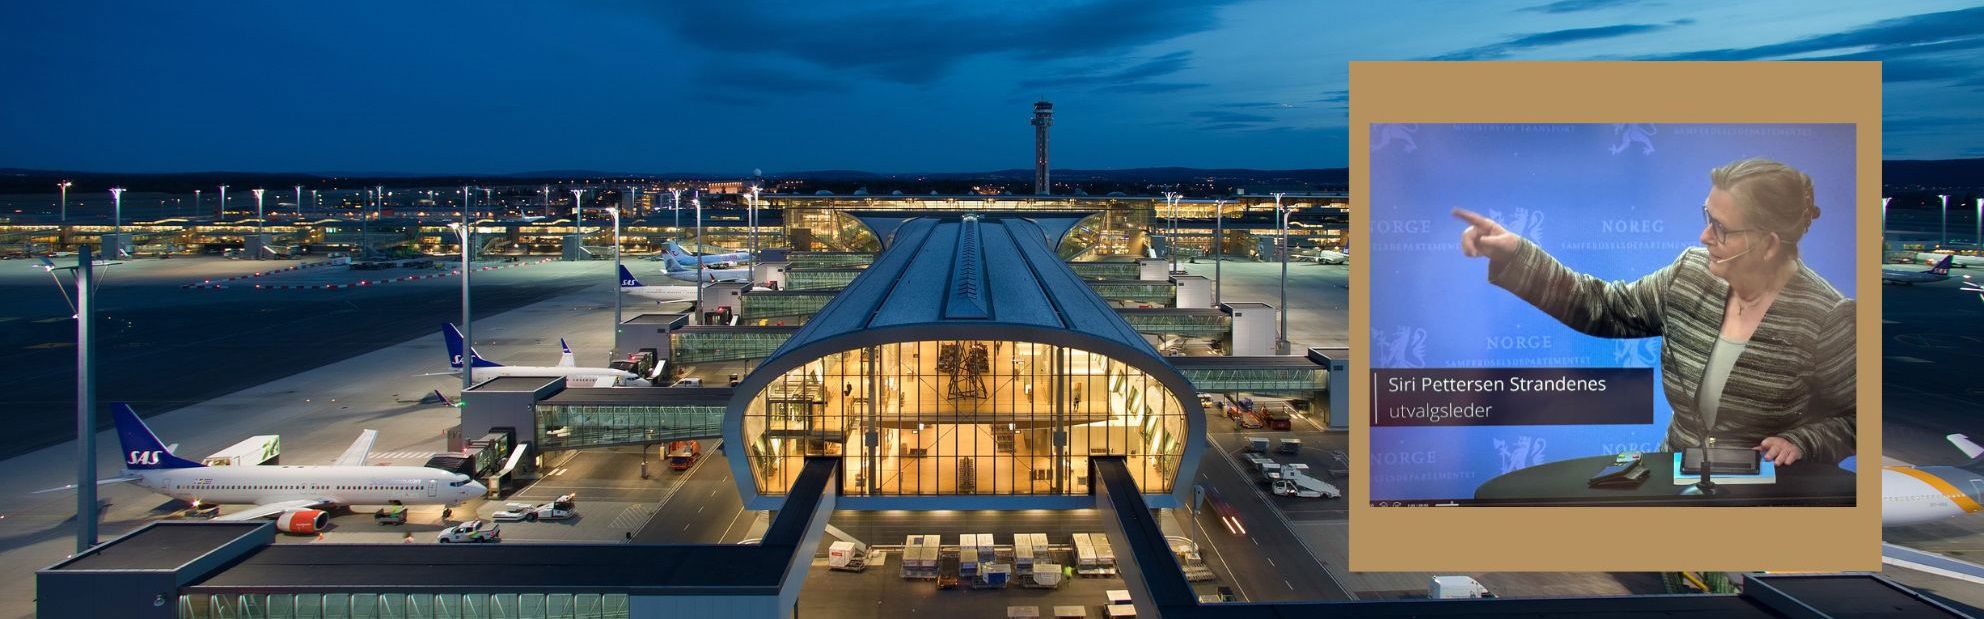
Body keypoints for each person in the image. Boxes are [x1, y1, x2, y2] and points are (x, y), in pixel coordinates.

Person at [1453, 157, 1854, 467]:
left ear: (1768, 244)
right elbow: (1604, 308)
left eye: (1722, 228)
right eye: (1706, 218)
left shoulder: (1828, 316)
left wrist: (1804, 442)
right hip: (1674, 482)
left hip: (1765, 503)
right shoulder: (1689, 274)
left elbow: (1856, 420)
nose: (1704, 236)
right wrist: (1516, 254)